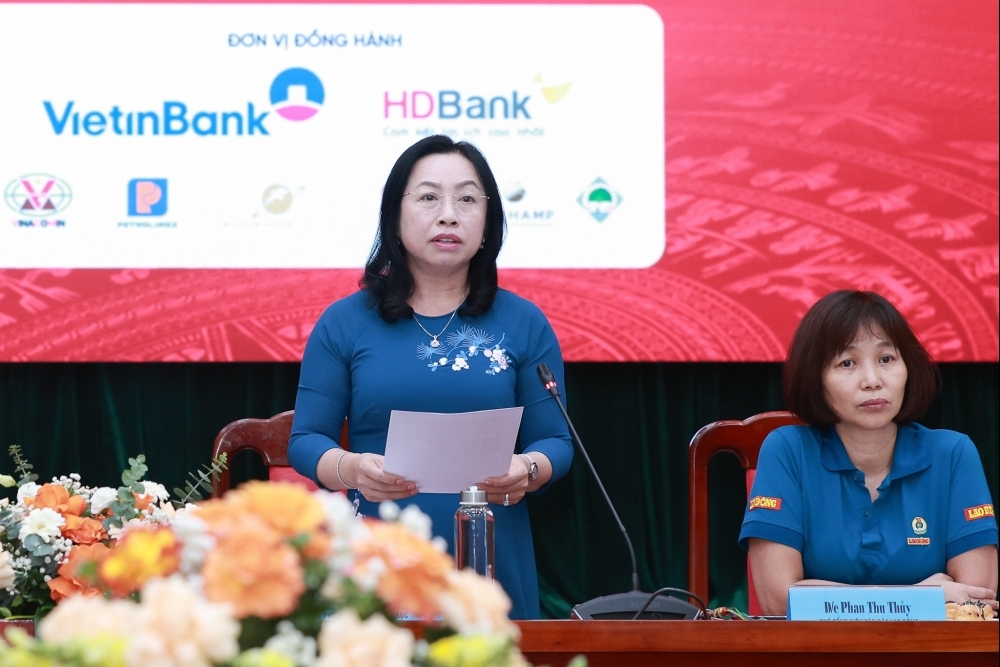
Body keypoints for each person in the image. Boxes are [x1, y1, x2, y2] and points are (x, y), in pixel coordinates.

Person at [288, 135, 574, 619]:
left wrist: (527, 469)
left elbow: (556, 442)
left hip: (491, 556)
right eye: (428, 198)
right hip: (379, 559)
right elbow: (306, 440)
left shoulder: (523, 322)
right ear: (394, 218)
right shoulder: (346, 323)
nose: (448, 215)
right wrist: (352, 468)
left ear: (488, 222)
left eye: (467, 199)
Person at [739, 290, 998, 615]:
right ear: (815, 378)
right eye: (847, 363)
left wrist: (822, 597)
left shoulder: (953, 454)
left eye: (886, 359)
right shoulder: (788, 450)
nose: (873, 381)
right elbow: (779, 601)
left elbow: (975, 603)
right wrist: (918, 597)